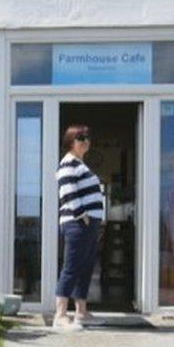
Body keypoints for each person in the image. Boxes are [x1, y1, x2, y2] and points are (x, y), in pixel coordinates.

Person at [53, 124, 105, 331]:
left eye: (87, 137)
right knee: (72, 267)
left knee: (85, 268)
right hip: (77, 224)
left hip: (88, 224)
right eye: (80, 137)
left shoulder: (79, 164)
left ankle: (81, 313)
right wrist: (81, 216)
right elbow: (68, 193)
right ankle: (60, 315)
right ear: (70, 141)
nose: (85, 141)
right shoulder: (67, 164)